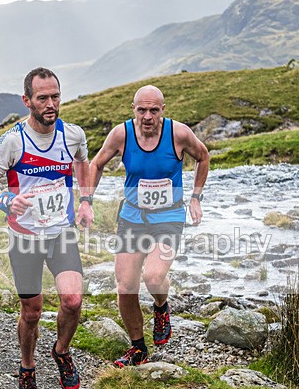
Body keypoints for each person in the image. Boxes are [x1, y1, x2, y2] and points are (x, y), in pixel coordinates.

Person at [0, 67, 93, 389]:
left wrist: (85, 201)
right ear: (27, 100)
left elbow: (83, 163)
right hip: (24, 236)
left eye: (55, 96)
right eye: (43, 98)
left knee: (72, 300)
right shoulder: (12, 141)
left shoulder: (73, 135)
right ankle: (27, 368)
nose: (51, 104)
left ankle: (61, 350)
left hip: (61, 233)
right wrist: (6, 200)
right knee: (32, 312)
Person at [88, 85, 210, 367]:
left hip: (168, 217)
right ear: (133, 109)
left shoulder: (178, 133)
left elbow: (203, 156)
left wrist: (195, 197)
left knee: (153, 277)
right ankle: (138, 348)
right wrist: (86, 199)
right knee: (125, 286)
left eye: (153, 110)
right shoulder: (121, 134)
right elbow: (96, 164)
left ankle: (160, 306)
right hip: (132, 217)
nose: (147, 116)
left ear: (163, 111)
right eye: (142, 109)